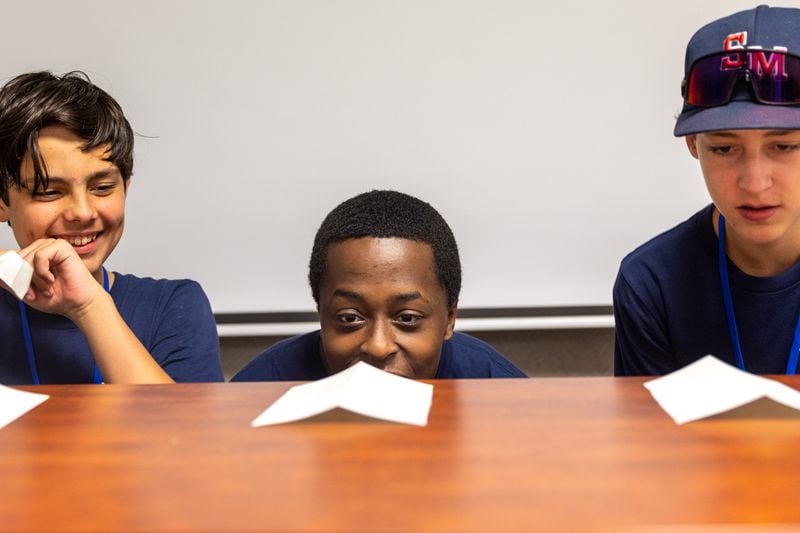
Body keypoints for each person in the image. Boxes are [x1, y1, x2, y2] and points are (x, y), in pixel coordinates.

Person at [0, 71, 223, 384]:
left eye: (102, 187)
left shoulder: (173, 305)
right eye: (49, 191)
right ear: (3, 202)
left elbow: (181, 432)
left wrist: (90, 306)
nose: (82, 212)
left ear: (125, 188)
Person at [614, 5, 800, 376]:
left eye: (784, 146)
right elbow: (648, 434)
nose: (755, 183)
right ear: (693, 146)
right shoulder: (653, 282)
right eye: (724, 149)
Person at [232, 190, 526, 381]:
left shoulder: (497, 388)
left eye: (407, 318)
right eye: (349, 318)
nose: (377, 346)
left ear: (449, 319)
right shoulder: (260, 388)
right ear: (320, 312)